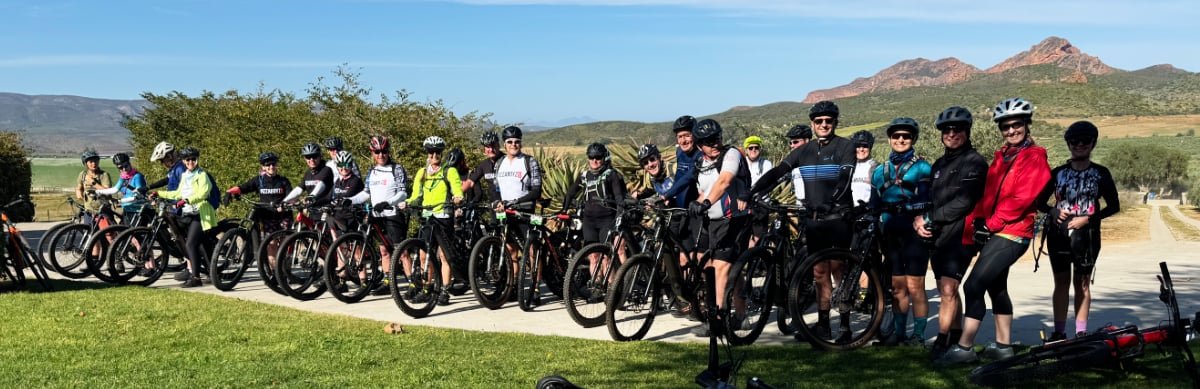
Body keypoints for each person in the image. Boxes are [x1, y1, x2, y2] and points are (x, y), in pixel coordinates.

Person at [937, 97, 1051, 365]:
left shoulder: (1035, 156)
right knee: (997, 288)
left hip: (1014, 232)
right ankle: (1003, 346)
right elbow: (988, 196)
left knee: (973, 286)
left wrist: (991, 224)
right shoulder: (1002, 156)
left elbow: (1021, 200)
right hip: (997, 230)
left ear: (1027, 125)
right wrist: (977, 222)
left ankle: (964, 348)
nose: (1011, 131)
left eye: (1016, 125)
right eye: (1006, 127)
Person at [750, 100, 857, 340]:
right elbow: (778, 172)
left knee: (839, 270)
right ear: (813, 124)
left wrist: (832, 201)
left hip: (838, 218)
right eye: (819, 121)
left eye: (828, 121)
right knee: (819, 273)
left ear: (835, 123)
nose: (824, 124)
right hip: (814, 220)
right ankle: (823, 324)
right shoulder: (804, 150)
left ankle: (846, 326)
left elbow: (845, 178)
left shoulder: (845, 146)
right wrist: (754, 191)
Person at [1035, 120, 1120, 341]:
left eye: (1084, 141)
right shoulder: (1058, 173)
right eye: (1074, 141)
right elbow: (1039, 202)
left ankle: (1081, 332)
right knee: (1061, 282)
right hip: (1058, 234)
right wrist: (1053, 212)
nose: (1079, 145)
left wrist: (1088, 219)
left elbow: (1114, 206)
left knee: (1082, 283)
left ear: (1093, 143)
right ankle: (1059, 332)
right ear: (1068, 144)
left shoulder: (1101, 173)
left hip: (1088, 236)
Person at [918, 106, 988, 360]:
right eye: (947, 130)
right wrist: (923, 222)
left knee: (947, 290)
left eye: (957, 129)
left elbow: (964, 202)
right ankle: (956, 334)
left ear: (967, 132)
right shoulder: (939, 164)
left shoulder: (975, 162)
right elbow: (933, 201)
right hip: (938, 235)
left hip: (962, 235)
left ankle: (943, 339)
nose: (951, 134)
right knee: (946, 288)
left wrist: (929, 218)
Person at [687, 118, 752, 337]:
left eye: (717, 138)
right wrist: (697, 203)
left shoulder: (730, 154)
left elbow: (724, 181)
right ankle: (741, 316)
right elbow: (705, 190)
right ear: (699, 145)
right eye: (708, 141)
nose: (714, 143)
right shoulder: (702, 163)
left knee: (720, 269)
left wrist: (705, 203)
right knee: (733, 269)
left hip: (735, 220)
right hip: (714, 223)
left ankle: (717, 319)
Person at [871, 118, 933, 346]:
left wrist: (915, 212)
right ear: (889, 139)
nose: (900, 140)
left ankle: (918, 335)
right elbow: (873, 202)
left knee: (915, 286)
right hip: (890, 232)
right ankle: (899, 334)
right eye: (896, 136)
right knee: (897, 287)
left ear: (913, 139)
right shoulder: (879, 171)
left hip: (914, 233)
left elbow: (926, 199)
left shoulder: (923, 167)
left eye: (906, 136)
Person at [402, 136, 464, 306]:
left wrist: (458, 196)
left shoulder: (449, 171)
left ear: (442, 153)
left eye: (438, 152)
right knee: (424, 255)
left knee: (444, 255)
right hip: (428, 217)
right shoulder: (422, 173)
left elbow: (457, 188)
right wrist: (407, 202)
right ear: (427, 153)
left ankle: (444, 290)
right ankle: (427, 288)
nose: (434, 155)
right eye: (431, 152)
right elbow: (416, 195)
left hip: (443, 216)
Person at [350, 136, 410, 295]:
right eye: (377, 152)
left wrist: (389, 203)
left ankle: (412, 284)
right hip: (377, 216)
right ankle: (388, 282)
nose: (381, 155)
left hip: (393, 214)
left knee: (402, 252)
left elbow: (403, 193)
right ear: (372, 153)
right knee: (384, 251)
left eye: (384, 151)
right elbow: (365, 193)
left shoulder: (396, 168)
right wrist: (349, 200)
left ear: (388, 152)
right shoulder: (372, 171)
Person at [225, 151, 294, 283]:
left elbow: (291, 195)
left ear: (277, 165)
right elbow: (242, 187)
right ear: (263, 167)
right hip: (268, 217)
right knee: (271, 244)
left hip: (283, 215)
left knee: (284, 244)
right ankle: (277, 273)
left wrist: (285, 204)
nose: (271, 167)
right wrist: (230, 192)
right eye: (267, 165)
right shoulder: (259, 180)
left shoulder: (283, 181)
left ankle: (286, 269)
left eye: (273, 164)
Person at [155, 147, 217, 288]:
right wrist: (159, 193)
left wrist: (187, 200)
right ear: (183, 161)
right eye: (187, 160)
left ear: (197, 160)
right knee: (195, 243)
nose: (190, 162)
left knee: (190, 244)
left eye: (193, 159)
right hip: (188, 213)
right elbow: (177, 193)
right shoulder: (185, 175)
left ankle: (195, 278)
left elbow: (203, 194)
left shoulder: (202, 175)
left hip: (201, 214)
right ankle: (208, 272)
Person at [95, 153, 148, 224]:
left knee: (133, 234)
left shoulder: (137, 176)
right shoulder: (123, 177)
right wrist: (98, 192)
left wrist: (120, 201)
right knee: (121, 232)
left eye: (126, 166)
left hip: (138, 211)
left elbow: (138, 196)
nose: (124, 169)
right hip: (127, 209)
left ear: (129, 163)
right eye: (120, 168)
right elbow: (115, 190)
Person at [743, 135, 773, 248]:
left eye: (756, 147)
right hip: (744, 203)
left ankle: (755, 260)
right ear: (746, 150)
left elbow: (766, 183)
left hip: (761, 204)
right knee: (743, 235)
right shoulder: (742, 163)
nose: (754, 150)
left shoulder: (766, 164)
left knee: (758, 236)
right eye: (750, 148)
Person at [464, 131, 502, 205]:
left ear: (498, 145)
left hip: (510, 206)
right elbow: (470, 182)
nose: (490, 150)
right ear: (484, 149)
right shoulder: (484, 165)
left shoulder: (507, 161)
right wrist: (458, 194)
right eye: (487, 147)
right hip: (494, 206)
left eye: (493, 146)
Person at [75, 149, 112, 215]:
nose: (94, 163)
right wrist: (79, 194)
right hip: (88, 210)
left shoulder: (104, 175)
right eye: (91, 161)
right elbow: (78, 188)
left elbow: (108, 192)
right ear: (86, 163)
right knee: (88, 225)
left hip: (103, 210)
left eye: (96, 161)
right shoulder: (82, 174)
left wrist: (93, 183)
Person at [785, 124, 813, 206]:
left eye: (795, 142)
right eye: (790, 143)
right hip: (799, 206)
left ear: (807, 141)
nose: (792, 145)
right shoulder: (793, 164)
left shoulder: (818, 160)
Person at [850, 130, 878, 207]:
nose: (861, 149)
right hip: (850, 213)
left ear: (870, 147)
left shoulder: (876, 167)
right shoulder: (848, 167)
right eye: (858, 146)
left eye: (865, 146)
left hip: (869, 213)